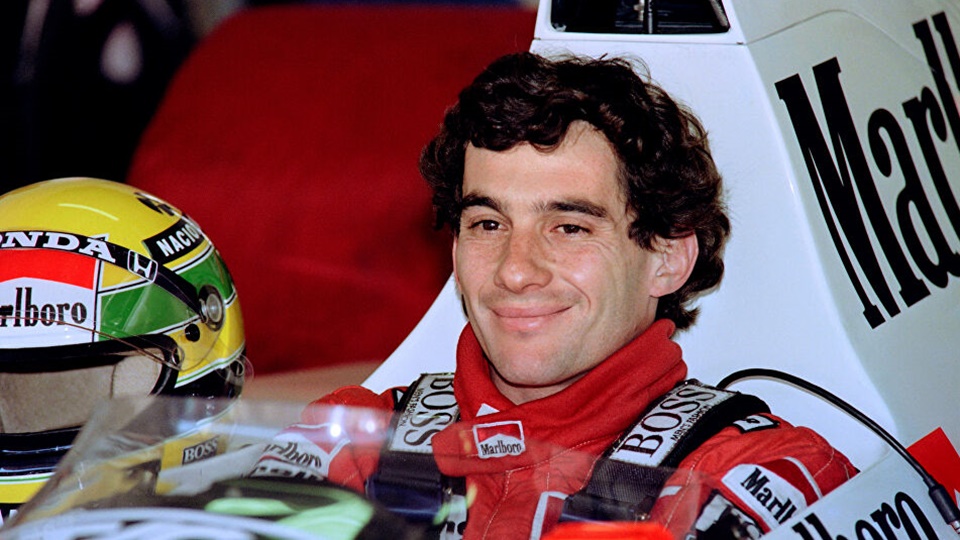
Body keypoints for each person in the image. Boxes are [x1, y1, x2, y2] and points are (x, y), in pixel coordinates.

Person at [251, 52, 856, 539]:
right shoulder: (357, 440)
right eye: (488, 224)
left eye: (569, 228)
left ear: (667, 257)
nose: (516, 271)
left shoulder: (762, 473)